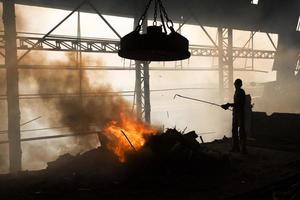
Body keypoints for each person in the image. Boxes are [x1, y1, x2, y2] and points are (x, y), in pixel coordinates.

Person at [221, 79, 247, 154]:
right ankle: (236, 147)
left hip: (240, 113)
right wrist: (228, 106)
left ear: (238, 85)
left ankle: (243, 148)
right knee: (234, 130)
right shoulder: (237, 92)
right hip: (236, 113)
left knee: (241, 131)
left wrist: (228, 105)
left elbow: (239, 104)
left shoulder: (241, 92)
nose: (235, 85)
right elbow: (237, 104)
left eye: (236, 84)